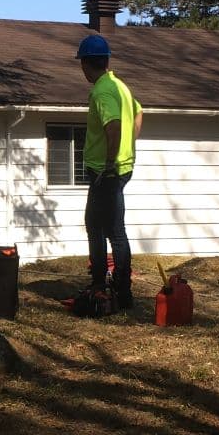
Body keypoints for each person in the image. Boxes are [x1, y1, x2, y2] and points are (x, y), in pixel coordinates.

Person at [78, 34, 141, 310]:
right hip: (120, 167)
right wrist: (129, 144)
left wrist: (109, 161)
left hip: (108, 171)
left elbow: (113, 126)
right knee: (106, 227)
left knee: (104, 229)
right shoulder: (120, 86)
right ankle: (113, 286)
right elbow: (139, 114)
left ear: (85, 64)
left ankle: (110, 288)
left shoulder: (103, 91)